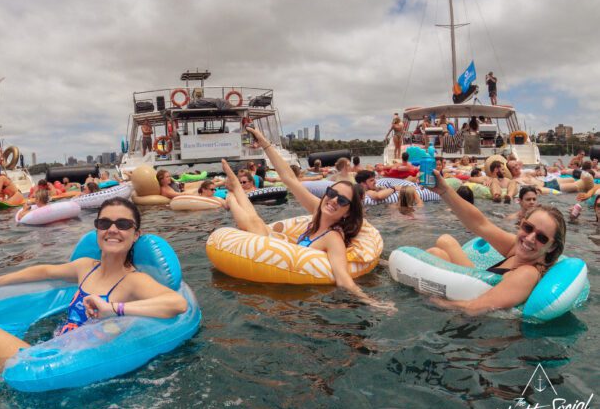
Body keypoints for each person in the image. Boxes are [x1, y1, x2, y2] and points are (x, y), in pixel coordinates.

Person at [0, 198, 188, 382]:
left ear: (135, 235)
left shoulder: (133, 281)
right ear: (97, 230)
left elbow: (177, 304)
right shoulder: (86, 267)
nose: (113, 229)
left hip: (71, 361)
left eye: (123, 224)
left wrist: (114, 308)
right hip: (53, 352)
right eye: (104, 223)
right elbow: (44, 271)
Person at [225, 128, 395, 313]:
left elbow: (343, 279)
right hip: (286, 272)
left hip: (300, 301)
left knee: (254, 227)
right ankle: (236, 190)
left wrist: (373, 303)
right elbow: (289, 179)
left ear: (347, 213)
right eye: (331, 193)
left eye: (343, 201)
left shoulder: (333, 238)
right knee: (257, 224)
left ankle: (233, 196)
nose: (334, 201)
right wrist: (265, 143)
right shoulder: (318, 211)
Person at [425, 172, 566, 314]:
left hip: (473, 320)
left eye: (542, 238)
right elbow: (480, 224)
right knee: (443, 245)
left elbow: (475, 308)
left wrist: (432, 300)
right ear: (522, 224)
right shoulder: (515, 248)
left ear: (552, 246)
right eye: (528, 228)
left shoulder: (527, 273)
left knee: (433, 254)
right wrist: (444, 191)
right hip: (472, 289)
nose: (529, 238)